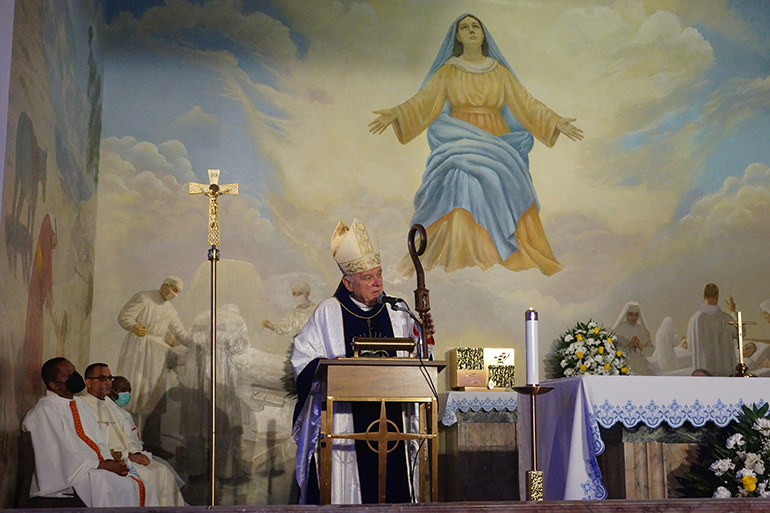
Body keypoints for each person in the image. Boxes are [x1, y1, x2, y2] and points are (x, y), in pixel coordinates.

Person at [369, 14, 583, 276]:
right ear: (457, 37)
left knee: (501, 181)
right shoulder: (448, 71)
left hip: (496, 140)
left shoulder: (499, 72)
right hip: (459, 137)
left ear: (483, 35)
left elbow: (526, 102)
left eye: (475, 27)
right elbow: (424, 100)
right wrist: (397, 114)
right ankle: (461, 254)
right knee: (459, 180)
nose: (470, 30)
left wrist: (554, 121)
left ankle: (504, 252)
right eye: (464, 27)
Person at [291, 219, 435, 504]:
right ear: (348, 282)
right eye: (369, 277)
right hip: (345, 425)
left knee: (393, 488)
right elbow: (302, 358)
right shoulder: (329, 312)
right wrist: (327, 365)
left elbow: (417, 361)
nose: (378, 283)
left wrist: (424, 335)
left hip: (392, 421)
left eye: (379, 275)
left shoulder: (397, 311)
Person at [21, 357, 158, 507]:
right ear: (54, 385)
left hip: (92, 468)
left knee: (143, 486)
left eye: (74, 371)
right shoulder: (44, 412)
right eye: (67, 375)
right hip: (69, 478)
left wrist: (109, 461)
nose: (75, 376)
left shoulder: (80, 404)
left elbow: (97, 440)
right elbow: (63, 455)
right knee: (124, 488)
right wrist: (103, 465)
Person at [81, 363, 185, 506]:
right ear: (88, 382)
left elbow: (126, 436)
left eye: (109, 378)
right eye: (102, 378)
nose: (107, 382)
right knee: (148, 475)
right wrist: (128, 456)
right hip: (112, 460)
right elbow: (93, 442)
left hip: (129, 456)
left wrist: (136, 452)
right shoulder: (82, 406)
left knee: (163, 471)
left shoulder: (111, 407)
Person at [116, 275, 193, 447]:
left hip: (157, 353)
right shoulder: (144, 297)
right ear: (165, 286)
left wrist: (198, 343)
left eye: (178, 292)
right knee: (134, 389)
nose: (175, 294)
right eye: (174, 290)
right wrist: (135, 327)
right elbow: (124, 316)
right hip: (138, 347)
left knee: (151, 393)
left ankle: (146, 443)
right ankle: (125, 441)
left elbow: (181, 333)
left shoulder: (170, 310)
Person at [686, 283, 737, 376]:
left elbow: (690, 346)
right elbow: (741, 333)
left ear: (704, 296)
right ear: (718, 296)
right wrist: (733, 312)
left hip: (703, 371)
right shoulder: (726, 318)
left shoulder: (694, 319)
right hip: (725, 371)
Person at [611, 302, 654, 375]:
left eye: (636, 315)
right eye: (631, 314)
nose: (634, 318)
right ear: (626, 315)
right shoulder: (618, 330)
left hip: (641, 367)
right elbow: (612, 351)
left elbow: (651, 350)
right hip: (624, 366)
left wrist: (641, 347)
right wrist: (628, 346)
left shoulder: (643, 331)